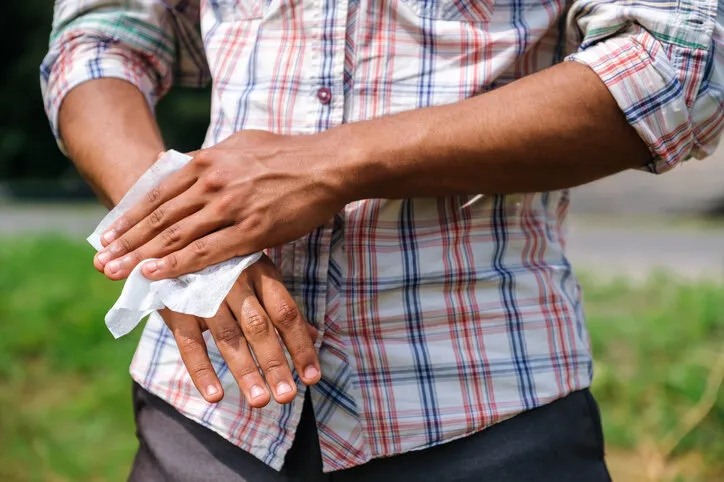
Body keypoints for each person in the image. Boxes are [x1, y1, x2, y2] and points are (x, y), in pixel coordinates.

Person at [41, 0, 722, 480]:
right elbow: (101, 35)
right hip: (202, 420)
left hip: (484, 417)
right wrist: (178, 239)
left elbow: (681, 61)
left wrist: (330, 163)